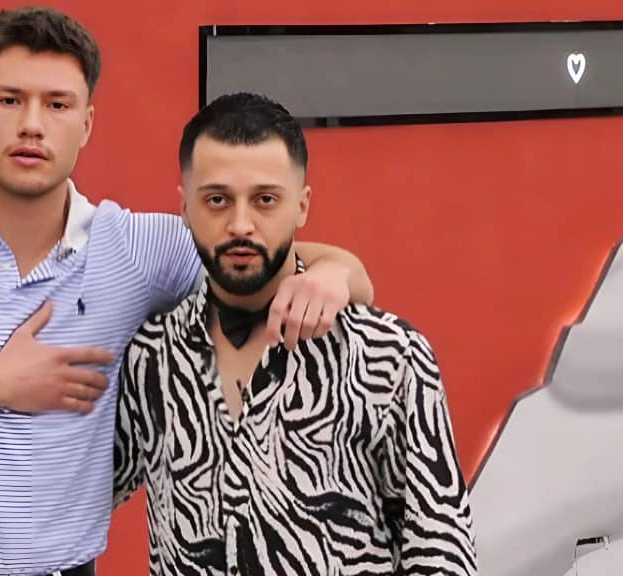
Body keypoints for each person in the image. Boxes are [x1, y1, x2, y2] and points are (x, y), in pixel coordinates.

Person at [0, 8, 373, 576]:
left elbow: (286, 263)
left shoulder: (137, 249)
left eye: (57, 104)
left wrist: (332, 275)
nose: (32, 125)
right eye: (9, 100)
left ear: (87, 123)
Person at [112, 92, 478, 575]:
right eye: (217, 200)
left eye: (265, 200)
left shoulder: (388, 354)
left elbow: (440, 549)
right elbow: (74, 496)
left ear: (301, 206)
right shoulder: (149, 357)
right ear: (184, 206)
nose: (240, 225)